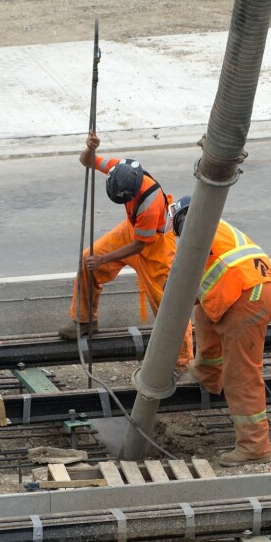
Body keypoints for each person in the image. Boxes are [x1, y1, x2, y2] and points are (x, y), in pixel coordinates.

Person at [60, 131, 193, 370]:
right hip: (132, 231)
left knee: (169, 305)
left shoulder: (150, 205)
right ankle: (85, 320)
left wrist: (103, 260)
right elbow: (86, 161)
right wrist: (91, 148)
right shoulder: (119, 168)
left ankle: (182, 362)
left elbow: (139, 246)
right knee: (86, 260)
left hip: (156, 247)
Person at [168, 196, 271, 467]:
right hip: (250, 288)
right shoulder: (215, 230)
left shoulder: (199, 235)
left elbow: (185, 285)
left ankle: (254, 446)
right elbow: (196, 288)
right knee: (204, 313)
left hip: (248, 296)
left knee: (240, 374)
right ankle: (208, 374)